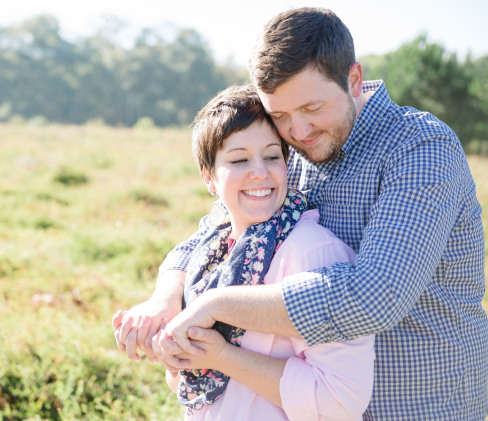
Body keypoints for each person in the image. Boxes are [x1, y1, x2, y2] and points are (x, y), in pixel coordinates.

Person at [114, 7, 488, 420]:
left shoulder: (419, 148)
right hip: (307, 402)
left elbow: (374, 298)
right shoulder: (288, 149)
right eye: (280, 115)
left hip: (420, 404)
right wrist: (166, 299)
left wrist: (215, 305)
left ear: (354, 79)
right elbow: (215, 230)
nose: (298, 131)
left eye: (313, 108)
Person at [117, 83, 375, 420]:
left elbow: (340, 401)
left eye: (272, 156)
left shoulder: (311, 251)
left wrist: (221, 356)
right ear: (209, 177)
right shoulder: (211, 255)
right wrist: (174, 351)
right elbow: (190, 386)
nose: (260, 172)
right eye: (239, 159)